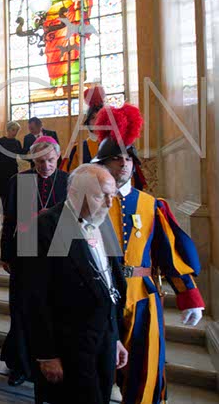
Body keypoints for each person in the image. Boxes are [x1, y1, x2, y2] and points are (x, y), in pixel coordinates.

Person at [92, 103, 204, 404]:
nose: (123, 164)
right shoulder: (88, 202)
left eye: (128, 158)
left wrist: (189, 295)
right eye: (115, 158)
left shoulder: (151, 205)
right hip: (99, 297)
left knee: (145, 371)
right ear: (103, 164)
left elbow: (170, 253)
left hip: (142, 295)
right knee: (97, 372)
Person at [22, 164, 128, 404]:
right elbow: (33, 297)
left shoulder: (103, 221)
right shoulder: (43, 228)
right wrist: (46, 354)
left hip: (104, 337)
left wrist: (115, 338)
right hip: (68, 345)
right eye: (101, 196)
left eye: (112, 195)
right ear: (74, 194)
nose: (110, 204)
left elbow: (109, 281)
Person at [0, 136, 68, 387]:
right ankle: (20, 364)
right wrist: (7, 254)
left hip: (58, 255)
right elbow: (9, 220)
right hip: (25, 254)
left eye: (50, 160)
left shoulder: (68, 181)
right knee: (22, 309)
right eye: (39, 162)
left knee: (53, 311)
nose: (45, 166)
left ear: (58, 157)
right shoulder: (19, 181)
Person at [60, 86, 105, 172]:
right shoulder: (79, 148)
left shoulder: (115, 145)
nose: (97, 122)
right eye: (93, 118)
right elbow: (67, 174)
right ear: (88, 121)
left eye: (100, 118)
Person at [0, 121, 23, 209]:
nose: (15, 132)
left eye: (17, 130)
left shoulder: (17, 142)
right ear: (8, 130)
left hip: (13, 169)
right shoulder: (0, 141)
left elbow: (22, 155)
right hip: (2, 169)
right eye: (13, 130)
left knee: (13, 191)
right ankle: (2, 211)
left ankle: (11, 211)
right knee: (2, 192)